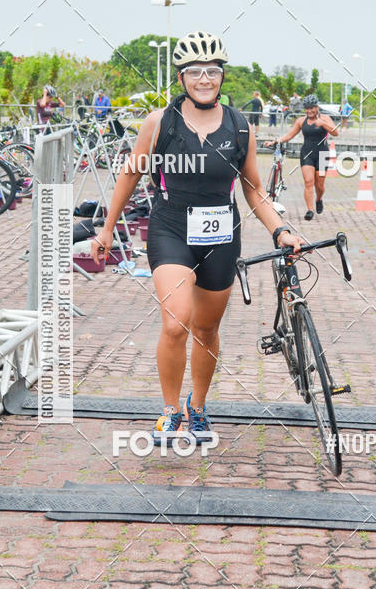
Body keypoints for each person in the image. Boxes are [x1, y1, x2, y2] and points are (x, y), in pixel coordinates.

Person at [90, 30, 304, 445]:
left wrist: (279, 229)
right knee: (176, 324)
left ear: (222, 76)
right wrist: (106, 227)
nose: (204, 79)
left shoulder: (241, 126)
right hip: (171, 228)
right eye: (194, 72)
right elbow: (130, 174)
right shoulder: (159, 123)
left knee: (206, 329)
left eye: (212, 71)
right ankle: (170, 410)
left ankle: (198, 407)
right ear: (181, 77)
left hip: (221, 233)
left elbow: (254, 189)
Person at [268, 93, 339, 220]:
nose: (310, 110)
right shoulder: (301, 121)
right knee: (308, 182)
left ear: (316, 107)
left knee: (320, 185)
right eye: (307, 108)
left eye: (312, 108)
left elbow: (335, 132)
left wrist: (322, 124)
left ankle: (319, 199)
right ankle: (310, 210)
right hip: (307, 154)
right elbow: (289, 136)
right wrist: (275, 141)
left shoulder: (325, 118)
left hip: (323, 154)